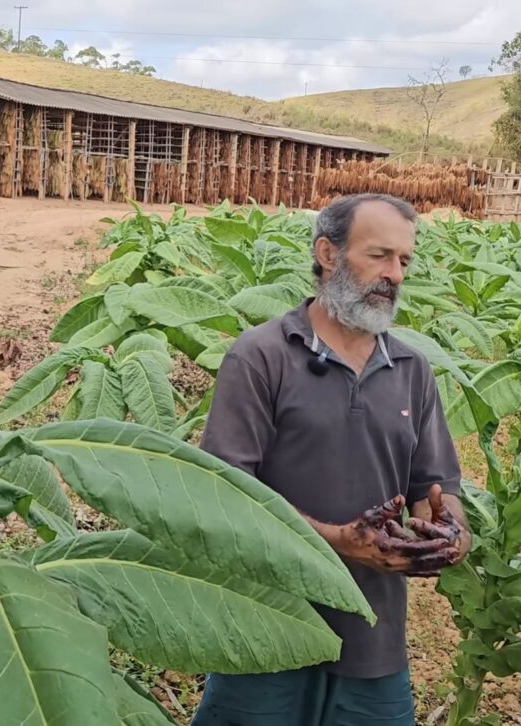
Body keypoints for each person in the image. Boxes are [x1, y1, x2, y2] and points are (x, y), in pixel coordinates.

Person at [190, 193, 471, 725]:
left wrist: (450, 534)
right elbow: (224, 497)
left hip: (372, 635)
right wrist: (339, 542)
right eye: (379, 255)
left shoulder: (412, 368)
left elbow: (436, 487)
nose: (394, 274)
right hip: (266, 627)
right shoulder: (262, 356)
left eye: (404, 261)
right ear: (327, 253)